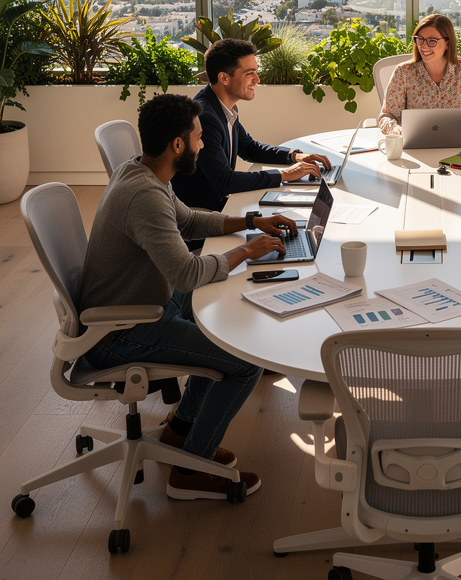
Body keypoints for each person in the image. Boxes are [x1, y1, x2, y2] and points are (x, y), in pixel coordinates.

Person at [80, 93, 300, 499]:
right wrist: (246, 250)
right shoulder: (145, 197)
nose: (203, 145)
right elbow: (186, 271)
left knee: (219, 313)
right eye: (198, 138)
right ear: (177, 145)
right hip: (123, 330)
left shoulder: (142, 171)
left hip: (141, 301)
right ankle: (191, 469)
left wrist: (251, 221)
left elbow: (188, 218)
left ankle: (180, 432)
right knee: (244, 361)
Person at [172, 37, 331, 212]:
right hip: (200, 215)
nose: (257, 79)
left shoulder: (223, 107)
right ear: (224, 78)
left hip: (216, 206)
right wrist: (284, 174)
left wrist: (294, 156)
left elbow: (249, 148)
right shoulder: (206, 117)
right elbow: (225, 182)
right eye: (249, 73)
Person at [378, 13, 461, 142]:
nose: (423, 46)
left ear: (447, 43)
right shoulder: (403, 72)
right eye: (420, 39)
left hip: (456, 148)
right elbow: (387, 116)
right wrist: (395, 129)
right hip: (415, 149)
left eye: (432, 41)